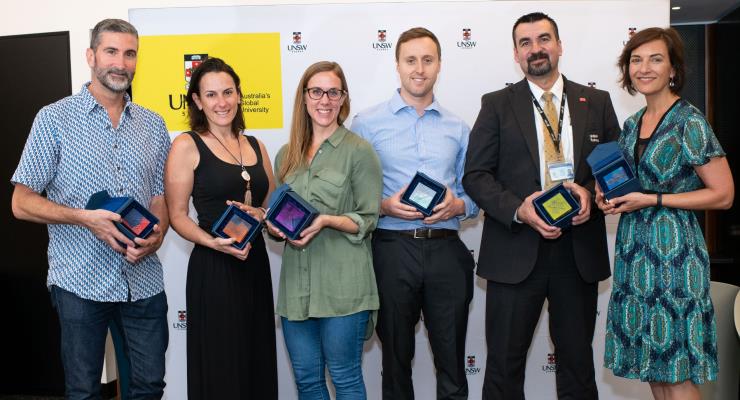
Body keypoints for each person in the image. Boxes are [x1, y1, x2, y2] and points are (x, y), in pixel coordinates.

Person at [463, 12, 621, 399]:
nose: (536, 49)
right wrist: (521, 209)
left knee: (578, 368)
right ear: (516, 54)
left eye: (544, 38)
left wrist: (589, 193)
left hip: (577, 253)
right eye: (526, 42)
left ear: (559, 45)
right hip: (515, 253)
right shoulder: (497, 104)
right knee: (502, 368)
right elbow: (476, 176)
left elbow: (615, 170)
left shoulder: (596, 101)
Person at [10, 19, 170, 399]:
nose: (121, 62)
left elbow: (159, 197)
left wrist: (158, 232)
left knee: (149, 386)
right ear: (91, 56)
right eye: (111, 51)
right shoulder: (54, 119)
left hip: (143, 280)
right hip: (79, 281)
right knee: (83, 390)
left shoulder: (154, 124)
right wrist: (85, 218)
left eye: (129, 53)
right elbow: (21, 202)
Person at [600, 27, 733, 400]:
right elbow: (630, 187)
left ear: (673, 68)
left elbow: (723, 194)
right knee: (654, 372)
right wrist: (608, 198)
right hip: (634, 257)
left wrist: (655, 200)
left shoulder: (689, 122)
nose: (644, 68)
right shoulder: (631, 125)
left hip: (675, 260)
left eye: (655, 59)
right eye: (636, 60)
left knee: (676, 373)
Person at [351, 27, 479, 400]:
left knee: (452, 362)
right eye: (411, 60)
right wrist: (383, 205)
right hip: (391, 249)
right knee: (395, 361)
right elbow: (352, 194)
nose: (419, 69)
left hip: (447, 251)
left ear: (439, 65)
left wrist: (460, 206)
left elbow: (476, 192)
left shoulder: (459, 127)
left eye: (428, 60)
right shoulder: (366, 124)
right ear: (397, 65)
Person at [266, 61, 382, 400]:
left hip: (343, 289)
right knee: (307, 383)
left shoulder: (360, 152)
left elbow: (368, 218)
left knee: (345, 378)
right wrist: (272, 226)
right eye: (316, 91)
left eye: (334, 92)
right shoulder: (286, 155)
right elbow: (278, 219)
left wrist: (327, 220)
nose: (325, 100)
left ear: (343, 98)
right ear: (304, 97)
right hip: (295, 293)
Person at [164, 57, 278, 399]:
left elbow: (269, 205)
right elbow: (178, 215)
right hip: (214, 268)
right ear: (197, 101)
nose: (222, 102)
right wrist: (214, 243)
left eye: (228, 92)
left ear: (239, 95)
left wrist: (260, 213)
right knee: (221, 365)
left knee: (255, 359)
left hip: (254, 265)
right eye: (211, 95)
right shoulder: (186, 145)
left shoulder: (256, 145)